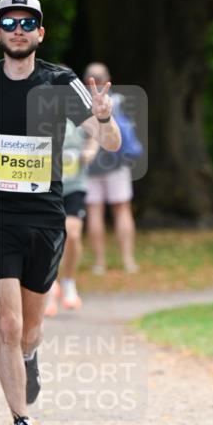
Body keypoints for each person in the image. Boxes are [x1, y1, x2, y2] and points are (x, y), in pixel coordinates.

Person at [0, 0, 121, 425]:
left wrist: (105, 119)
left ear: (40, 32)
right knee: (4, 324)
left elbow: (108, 141)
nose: (18, 28)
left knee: (28, 330)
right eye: (9, 21)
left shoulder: (60, 81)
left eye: (27, 22)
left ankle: (30, 357)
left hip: (44, 216)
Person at [84, 62, 139, 274]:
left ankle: (99, 263)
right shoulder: (119, 101)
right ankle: (128, 261)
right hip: (118, 164)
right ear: (107, 79)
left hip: (90, 167)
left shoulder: (79, 103)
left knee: (94, 211)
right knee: (122, 209)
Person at [45, 117, 90, 315]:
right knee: (46, 238)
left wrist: (91, 150)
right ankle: (48, 286)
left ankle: (69, 281)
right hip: (46, 184)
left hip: (74, 186)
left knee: (72, 234)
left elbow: (98, 131)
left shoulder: (77, 104)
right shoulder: (38, 105)